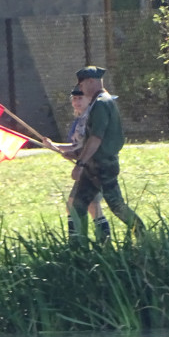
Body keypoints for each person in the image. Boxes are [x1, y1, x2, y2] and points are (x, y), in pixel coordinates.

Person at [67, 65, 144, 239]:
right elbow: (91, 139)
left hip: (102, 166)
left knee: (116, 205)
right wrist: (77, 153)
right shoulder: (99, 102)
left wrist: (80, 164)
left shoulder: (101, 104)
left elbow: (96, 138)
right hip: (93, 165)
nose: (79, 88)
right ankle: (78, 248)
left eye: (81, 84)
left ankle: (142, 233)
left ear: (91, 82)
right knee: (78, 205)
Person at [44, 85, 111, 244]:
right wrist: (53, 146)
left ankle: (82, 243)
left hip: (96, 168)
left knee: (84, 204)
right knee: (85, 205)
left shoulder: (91, 119)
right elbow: (76, 146)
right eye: (74, 98)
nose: (76, 102)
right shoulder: (79, 120)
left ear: (90, 100)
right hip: (86, 169)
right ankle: (90, 242)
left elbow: (91, 144)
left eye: (80, 98)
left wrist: (77, 157)